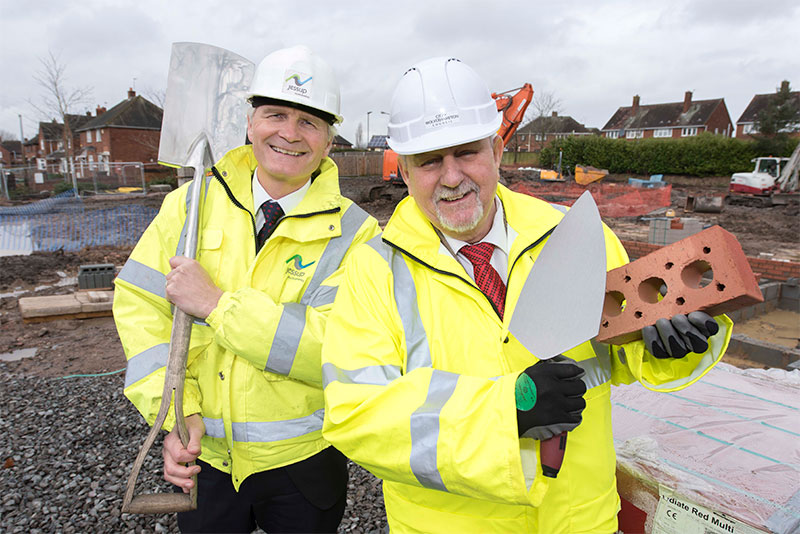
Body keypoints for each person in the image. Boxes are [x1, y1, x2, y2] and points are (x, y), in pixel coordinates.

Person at [320, 56, 732, 534]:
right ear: (405, 172)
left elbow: (621, 355)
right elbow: (357, 415)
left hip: (577, 520)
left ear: (497, 151)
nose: (451, 177)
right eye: (430, 161)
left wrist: (673, 344)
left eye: (467, 152)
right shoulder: (373, 271)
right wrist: (506, 412)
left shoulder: (574, 236)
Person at [113, 45, 381, 533]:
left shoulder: (356, 233)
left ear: (329, 140)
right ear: (250, 121)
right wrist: (175, 412)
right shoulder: (189, 206)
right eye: (275, 114)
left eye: (309, 122)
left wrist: (217, 305)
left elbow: (339, 349)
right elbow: (140, 309)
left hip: (303, 463)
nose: (289, 133)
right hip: (205, 459)